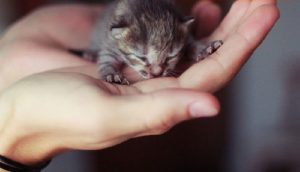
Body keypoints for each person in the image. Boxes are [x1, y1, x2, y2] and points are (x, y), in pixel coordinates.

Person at [0, 0, 279, 171]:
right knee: (100, 50)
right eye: (142, 59)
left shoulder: (177, 25)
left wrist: (197, 49)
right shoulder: (120, 31)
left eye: (167, 57)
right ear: (121, 37)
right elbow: (109, 56)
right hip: (108, 31)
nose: (156, 70)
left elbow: (186, 40)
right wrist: (107, 69)